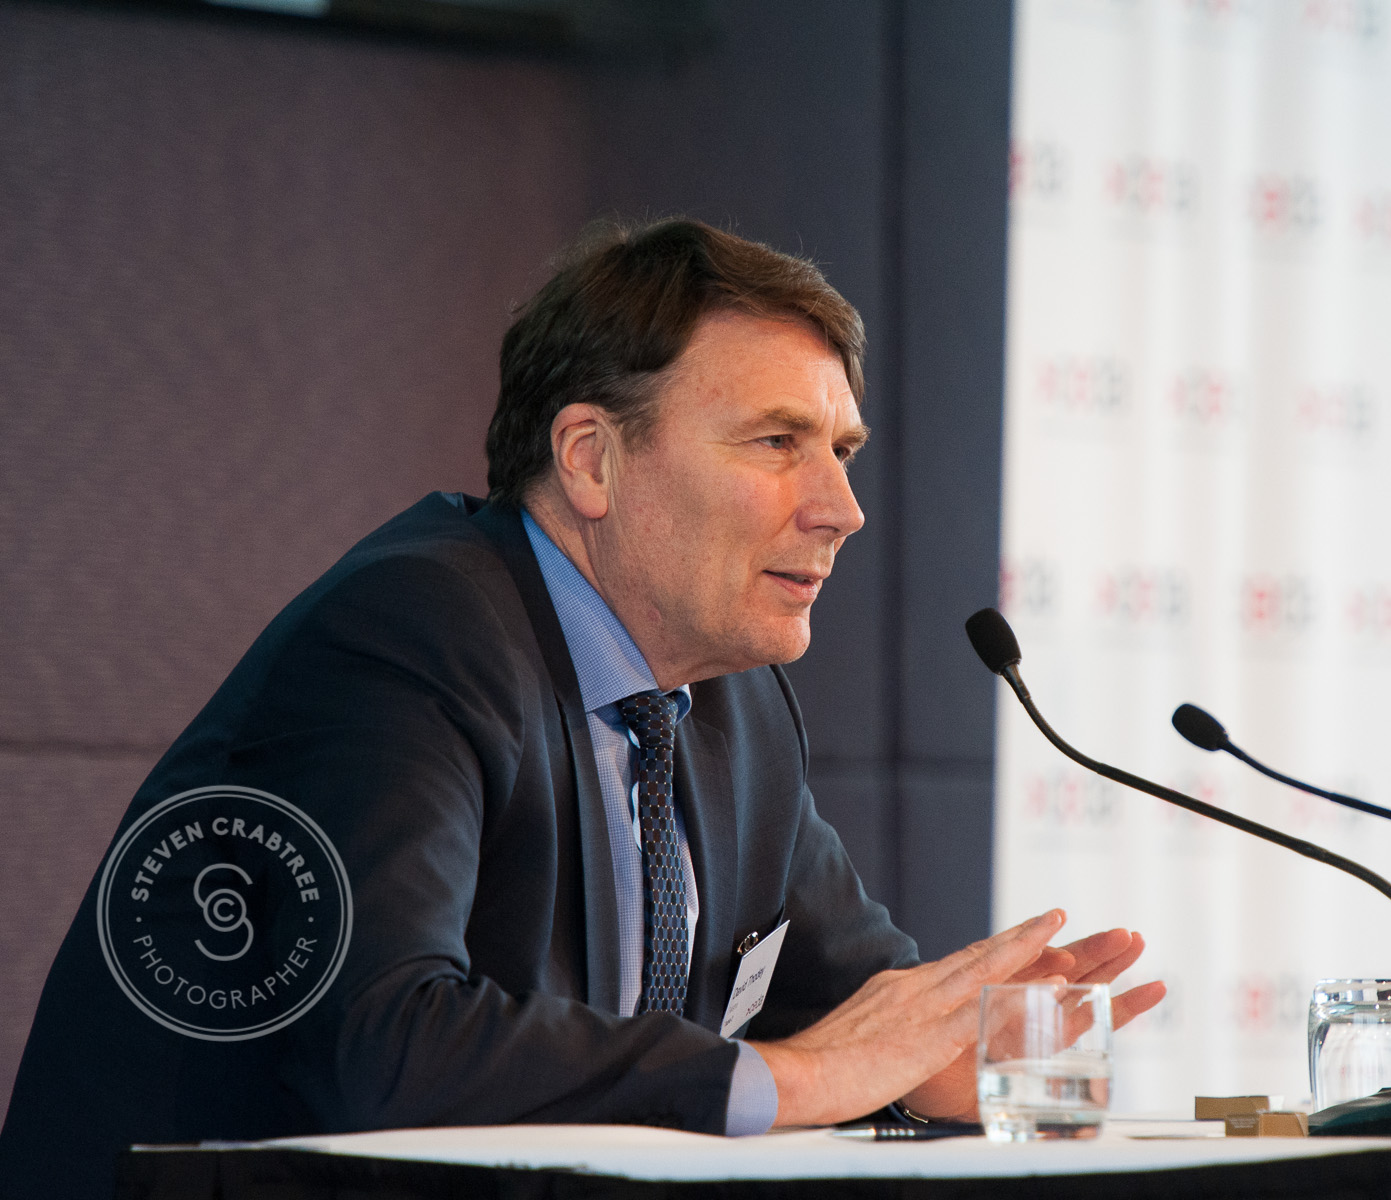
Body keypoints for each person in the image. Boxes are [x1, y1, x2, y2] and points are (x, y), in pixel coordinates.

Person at [0, 218, 1164, 1198]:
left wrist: (947, 1060)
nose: (840, 507)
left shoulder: (737, 708)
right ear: (592, 460)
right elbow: (384, 1045)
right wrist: (801, 1078)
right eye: (777, 442)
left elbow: (862, 1013)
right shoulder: (413, 632)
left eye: (842, 450)